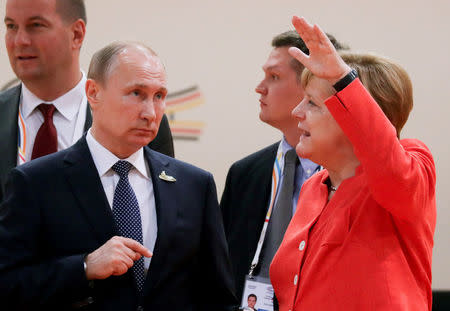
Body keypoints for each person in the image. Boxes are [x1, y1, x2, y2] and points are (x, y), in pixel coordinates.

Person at [0, 41, 237, 310]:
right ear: (93, 93)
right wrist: (84, 267)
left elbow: (218, 296)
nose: (150, 112)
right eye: (136, 93)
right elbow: (7, 284)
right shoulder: (35, 183)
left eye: (159, 96)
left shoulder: (195, 185)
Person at [270, 16, 436, 311]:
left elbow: (387, 160)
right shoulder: (314, 186)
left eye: (311, 102)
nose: (297, 112)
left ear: (352, 114)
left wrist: (342, 80)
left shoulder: (413, 165)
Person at [0, 0, 174, 202]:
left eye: (36, 25)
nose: (20, 40)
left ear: (77, 34)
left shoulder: (141, 121)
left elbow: (162, 214)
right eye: (11, 26)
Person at [220, 29, 347, 301]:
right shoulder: (244, 173)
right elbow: (222, 267)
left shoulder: (349, 173)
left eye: (274, 77)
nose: (259, 87)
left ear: (310, 84)